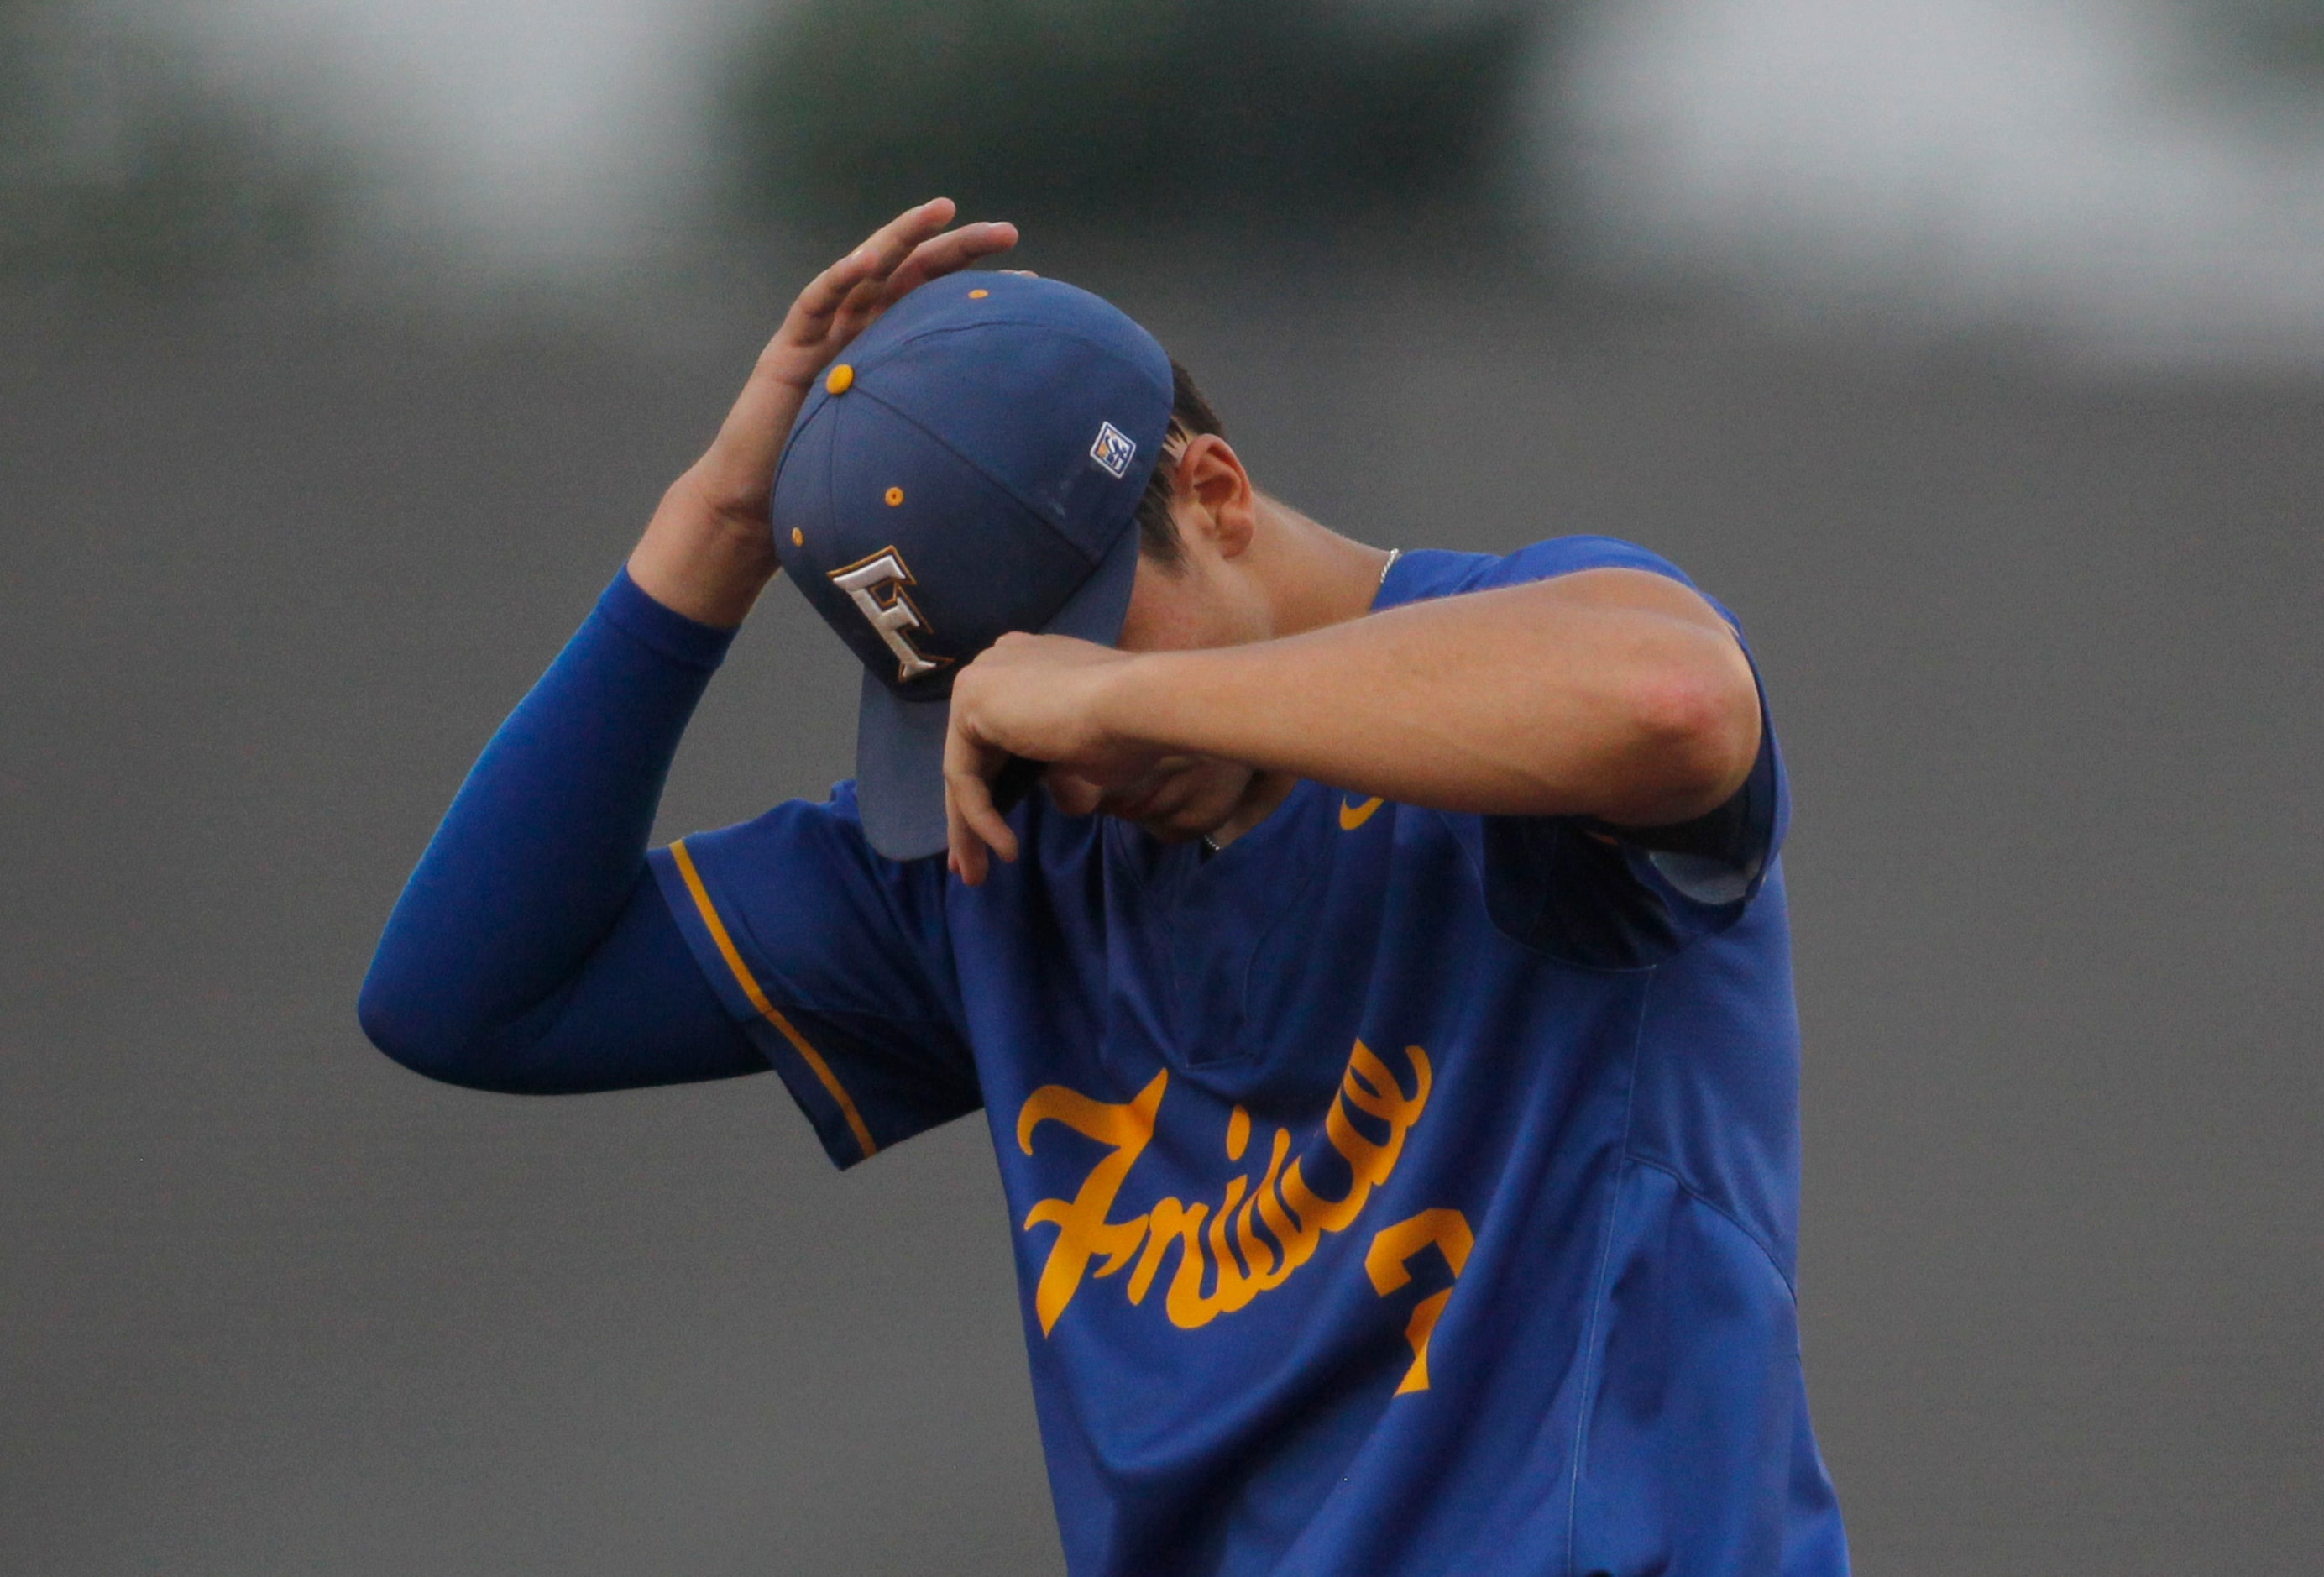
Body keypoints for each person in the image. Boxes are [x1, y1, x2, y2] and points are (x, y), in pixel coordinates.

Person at [360, 198, 1850, 1574]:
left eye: (1069, 640)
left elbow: (1672, 701)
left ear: (1210, 489)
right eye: (978, 698)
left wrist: (1123, 703)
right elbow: (467, 998)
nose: (1051, 747)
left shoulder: (1494, 674)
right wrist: (718, 529)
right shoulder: (1006, 843)